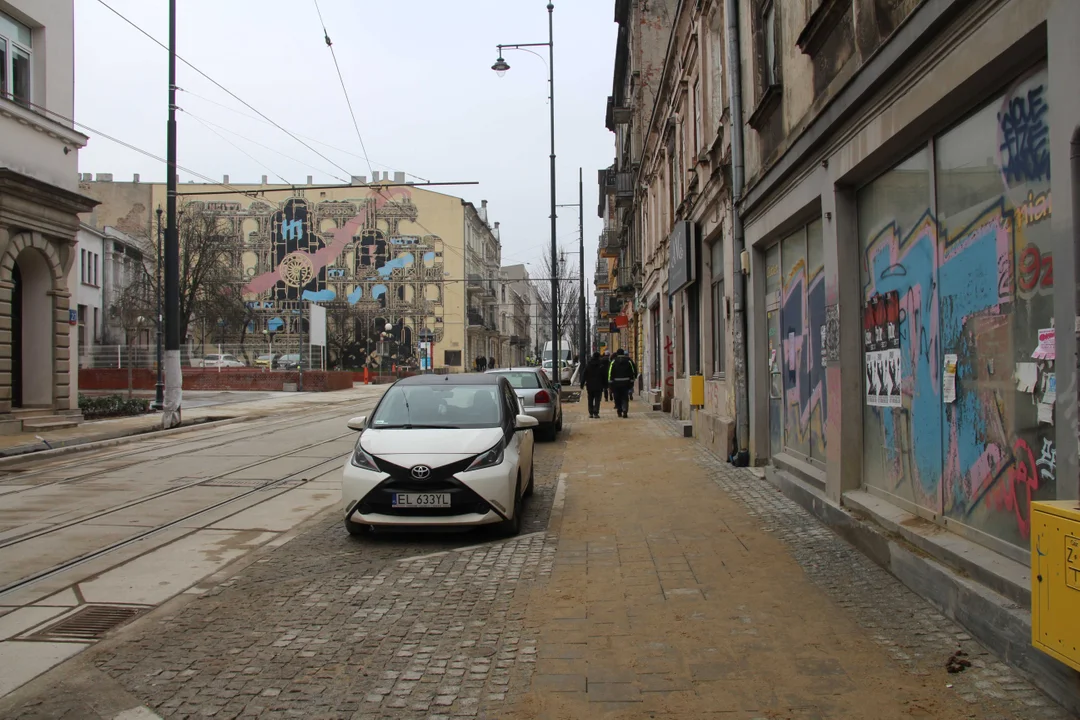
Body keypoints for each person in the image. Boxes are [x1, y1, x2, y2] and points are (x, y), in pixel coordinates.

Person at [607, 349, 638, 418]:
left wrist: (610, 382)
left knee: (617, 397)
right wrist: (633, 378)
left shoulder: (613, 361)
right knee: (625, 397)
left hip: (616, 383)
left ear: (617, 354)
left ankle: (619, 410)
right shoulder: (628, 360)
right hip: (626, 382)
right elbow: (634, 369)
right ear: (623, 353)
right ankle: (625, 410)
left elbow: (610, 372)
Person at [580, 352, 607, 418]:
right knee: (597, 399)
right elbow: (604, 375)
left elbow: (584, 375)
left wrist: (582, 384)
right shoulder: (601, 365)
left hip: (590, 385)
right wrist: (605, 385)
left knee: (590, 399)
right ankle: (596, 412)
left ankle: (591, 412)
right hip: (599, 385)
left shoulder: (588, 364)